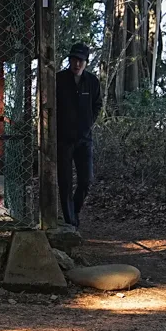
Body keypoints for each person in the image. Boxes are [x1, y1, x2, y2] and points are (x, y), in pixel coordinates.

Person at [54, 43, 103, 232]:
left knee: (86, 180)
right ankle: (69, 221)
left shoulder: (92, 81)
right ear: (69, 60)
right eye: (74, 60)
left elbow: (97, 104)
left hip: (84, 139)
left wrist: (88, 122)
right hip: (63, 139)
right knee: (65, 181)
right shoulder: (59, 80)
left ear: (86, 62)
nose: (77, 64)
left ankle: (74, 211)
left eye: (80, 60)